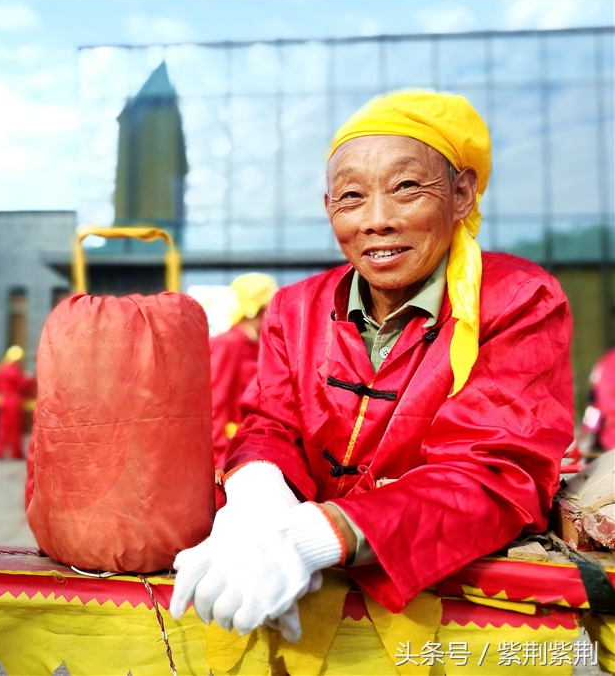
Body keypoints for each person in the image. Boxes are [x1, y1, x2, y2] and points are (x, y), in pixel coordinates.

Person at [170, 90, 573, 642]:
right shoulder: (295, 307)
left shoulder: (520, 299)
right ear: (328, 206)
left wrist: (313, 535)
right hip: (283, 578)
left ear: (461, 193)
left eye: (407, 187)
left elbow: (494, 473)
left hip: (439, 588)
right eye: (351, 197)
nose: (377, 221)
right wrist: (256, 500)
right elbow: (270, 426)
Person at [209, 273, 279, 509]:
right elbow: (217, 403)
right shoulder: (230, 343)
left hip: (250, 450)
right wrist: (216, 462)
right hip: (230, 454)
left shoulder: (258, 343)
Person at [0, 345, 32, 460]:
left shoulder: (3, 367)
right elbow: (20, 383)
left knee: (2, 427)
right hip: (13, 401)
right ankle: (15, 452)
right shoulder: (13, 369)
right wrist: (29, 379)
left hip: (4, 399)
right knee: (14, 428)